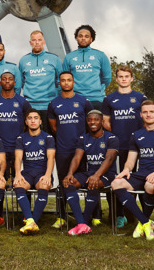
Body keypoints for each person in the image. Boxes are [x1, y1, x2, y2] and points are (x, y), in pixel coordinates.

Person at [112, 99, 154, 240]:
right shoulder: (136, 135)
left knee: (150, 185)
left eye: (151, 112)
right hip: (141, 173)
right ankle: (145, 221)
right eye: (145, 112)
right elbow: (131, 160)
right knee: (116, 183)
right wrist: (126, 169)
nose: (148, 115)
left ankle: (143, 222)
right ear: (141, 115)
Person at [48, 71, 94, 229]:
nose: (66, 83)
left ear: (73, 82)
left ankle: (92, 215)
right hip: (63, 150)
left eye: (69, 80)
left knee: (86, 181)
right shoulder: (53, 103)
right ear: (59, 83)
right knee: (63, 182)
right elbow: (54, 127)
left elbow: (91, 124)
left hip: (82, 150)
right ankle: (61, 216)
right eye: (63, 80)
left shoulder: (83, 101)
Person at [103, 63, 147, 228]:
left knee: (136, 180)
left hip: (137, 147)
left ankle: (134, 213)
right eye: (120, 76)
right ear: (116, 79)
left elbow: (146, 120)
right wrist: (115, 136)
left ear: (131, 78)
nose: (123, 79)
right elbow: (106, 122)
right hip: (117, 147)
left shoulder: (140, 98)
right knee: (117, 179)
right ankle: (118, 214)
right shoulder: (109, 99)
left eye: (126, 76)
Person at [60, 110, 118, 236]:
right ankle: (82, 224)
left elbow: (109, 159)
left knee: (94, 184)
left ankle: (84, 222)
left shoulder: (111, 138)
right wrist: (69, 173)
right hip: (90, 172)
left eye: (96, 119)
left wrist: (97, 175)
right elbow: (77, 157)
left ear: (102, 122)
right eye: (90, 120)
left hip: (107, 174)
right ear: (87, 121)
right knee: (68, 183)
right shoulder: (83, 138)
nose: (93, 122)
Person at [13, 110, 55, 234]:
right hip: (27, 173)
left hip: (42, 172)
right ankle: (31, 221)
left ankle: (32, 221)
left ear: (40, 121)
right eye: (30, 118)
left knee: (44, 185)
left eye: (36, 118)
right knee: (18, 184)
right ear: (26, 121)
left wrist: (47, 175)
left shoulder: (48, 137)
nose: (33, 120)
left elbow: (51, 157)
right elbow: (18, 158)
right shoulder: (21, 138)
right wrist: (17, 174)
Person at [0, 70, 32, 181]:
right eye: (4, 79)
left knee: (21, 179)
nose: (7, 81)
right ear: (0, 83)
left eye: (10, 79)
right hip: (1, 147)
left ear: (15, 83)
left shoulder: (23, 102)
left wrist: (22, 139)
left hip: (19, 147)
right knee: (2, 180)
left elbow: (30, 124)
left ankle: (23, 198)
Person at [61, 25, 112, 109]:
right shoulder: (69, 57)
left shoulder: (100, 55)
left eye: (86, 36)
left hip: (96, 100)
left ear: (91, 39)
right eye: (80, 36)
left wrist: (98, 90)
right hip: (76, 99)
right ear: (76, 38)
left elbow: (107, 78)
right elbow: (65, 78)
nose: (83, 38)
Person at [18, 30, 62, 112]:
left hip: (50, 104)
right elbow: (21, 82)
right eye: (34, 40)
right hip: (30, 105)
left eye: (39, 40)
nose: (37, 42)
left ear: (44, 42)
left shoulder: (55, 59)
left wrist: (58, 99)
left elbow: (60, 80)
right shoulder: (23, 60)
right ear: (30, 43)